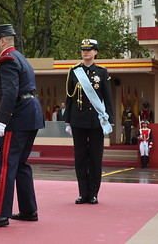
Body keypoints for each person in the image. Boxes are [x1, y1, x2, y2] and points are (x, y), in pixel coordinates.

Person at [0, 24, 45, 227]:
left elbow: (10, 93)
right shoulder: (20, 58)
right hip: (31, 114)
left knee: (6, 166)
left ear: (3, 41)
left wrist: (2, 121)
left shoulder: (7, 60)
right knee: (21, 165)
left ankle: (0, 214)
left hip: (18, 118)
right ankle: (28, 209)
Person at [65, 39, 114, 205]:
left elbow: (107, 98)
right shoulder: (74, 72)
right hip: (78, 120)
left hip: (96, 121)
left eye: (89, 50)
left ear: (96, 52)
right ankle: (82, 193)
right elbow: (69, 97)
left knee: (95, 158)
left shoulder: (102, 72)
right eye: (83, 50)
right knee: (80, 158)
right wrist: (67, 121)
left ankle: (93, 193)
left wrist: (110, 120)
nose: (85, 52)